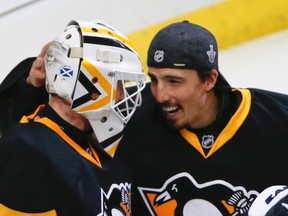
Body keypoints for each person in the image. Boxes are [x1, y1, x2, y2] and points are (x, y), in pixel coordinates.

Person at [1, 20, 288, 216]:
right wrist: (30, 85)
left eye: (174, 81)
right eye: (153, 80)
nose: (159, 94)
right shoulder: (124, 123)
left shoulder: (276, 118)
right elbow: (39, 131)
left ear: (209, 80)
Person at [0, 19, 146, 216]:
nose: (123, 97)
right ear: (94, 88)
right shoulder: (30, 151)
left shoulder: (96, 144)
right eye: (120, 85)